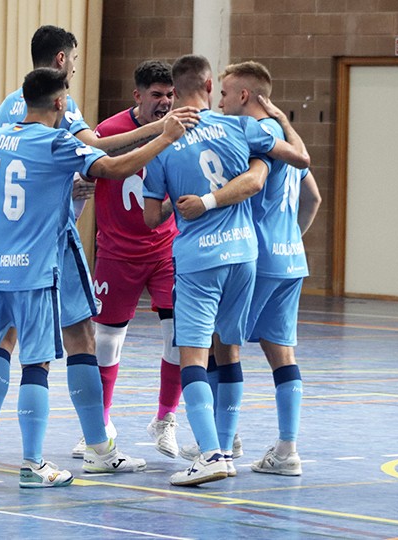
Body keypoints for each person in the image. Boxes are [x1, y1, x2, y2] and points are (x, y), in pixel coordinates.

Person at [0, 67, 185, 486]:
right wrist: (164, 138)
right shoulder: (58, 144)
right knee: (37, 365)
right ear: (61, 102)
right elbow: (111, 167)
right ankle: (33, 463)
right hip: (35, 272)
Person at [142, 54, 310, 486]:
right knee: (242, 350)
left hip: (208, 256)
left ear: (174, 93)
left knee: (199, 353)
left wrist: (200, 200)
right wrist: (281, 120)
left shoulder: (166, 142)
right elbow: (303, 172)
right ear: (209, 83)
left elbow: (151, 217)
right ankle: (260, 444)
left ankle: (217, 447)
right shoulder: (245, 129)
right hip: (261, 253)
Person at [212, 61, 322, 476]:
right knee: (281, 352)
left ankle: (221, 446)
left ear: (244, 95)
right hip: (291, 257)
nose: (219, 101)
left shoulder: (255, 139)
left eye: (224, 93)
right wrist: (290, 237)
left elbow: (249, 184)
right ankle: (287, 449)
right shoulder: (285, 136)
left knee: (224, 344)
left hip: (255, 258)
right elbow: (313, 199)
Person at [80, 60, 182, 460]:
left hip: (164, 250)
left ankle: (165, 418)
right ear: (137, 95)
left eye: (170, 95)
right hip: (117, 253)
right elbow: (86, 172)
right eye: (157, 95)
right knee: (106, 343)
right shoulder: (107, 132)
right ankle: (101, 424)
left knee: (178, 335)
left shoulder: (179, 134)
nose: (165, 102)